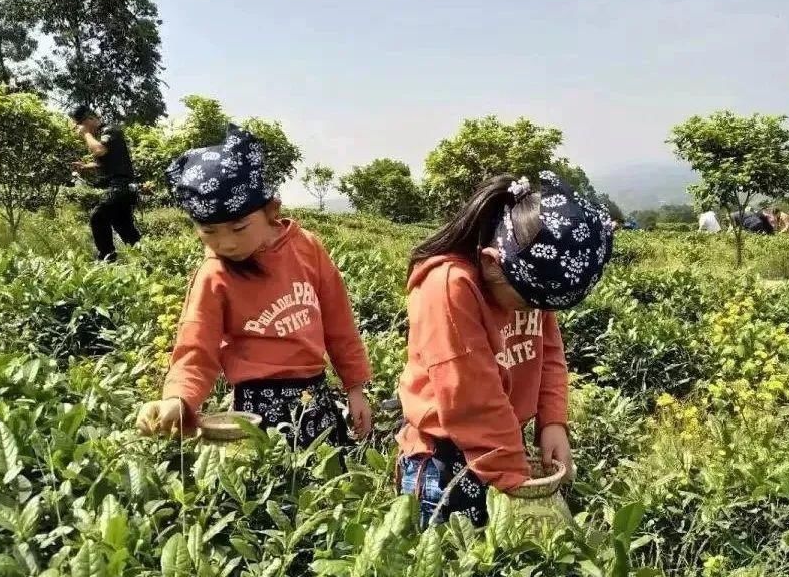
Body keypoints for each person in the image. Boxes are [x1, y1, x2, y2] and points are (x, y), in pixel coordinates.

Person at [396, 171, 614, 527]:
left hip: (502, 446)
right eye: (527, 304)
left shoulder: (530, 287)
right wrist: (517, 477)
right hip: (445, 459)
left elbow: (549, 357)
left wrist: (552, 423)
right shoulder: (449, 285)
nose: (533, 313)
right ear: (491, 262)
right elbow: (470, 397)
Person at [135, 125, 374, 447]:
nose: (226, 244)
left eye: (239, 228)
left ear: (270, 211)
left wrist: (355, 388)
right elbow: (196, 347)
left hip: (315, 395)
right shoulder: (214, 274)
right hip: (256, 405)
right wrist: (178, 399)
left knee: (326, 484)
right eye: (209, 232)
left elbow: (338, 321)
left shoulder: (306, 248)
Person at [68, 105, 142, 262]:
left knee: (98, 217)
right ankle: (145, 261)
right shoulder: (102, 134)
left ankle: (107, 260)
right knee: (124, 227)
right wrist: (85, 166)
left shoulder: (110, 130)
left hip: (120, 186)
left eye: (80, 124)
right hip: (122, 186)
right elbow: (104, 163)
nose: (79, 129)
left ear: (90, 119)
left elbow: (100, 151)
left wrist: (86, 133)